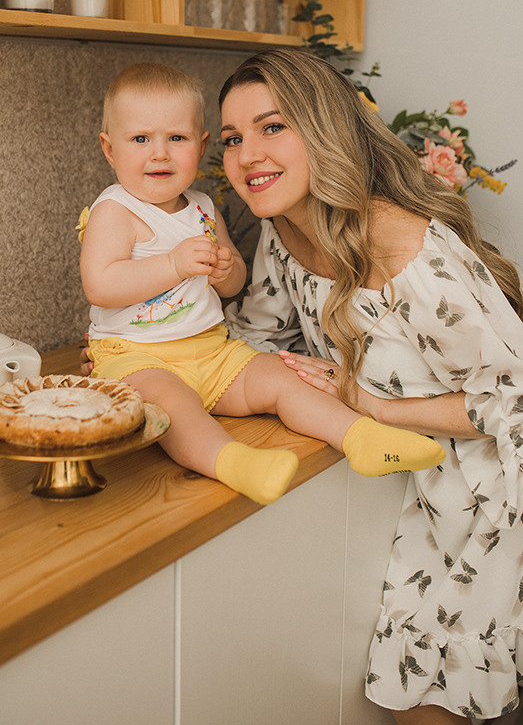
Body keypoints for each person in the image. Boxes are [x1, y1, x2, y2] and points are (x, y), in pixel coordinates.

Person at [217, 47, 523, 724]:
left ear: (320, 129)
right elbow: (256, 336)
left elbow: (517, 401)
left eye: (272, 127)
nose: (246, 155)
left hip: (495, 496)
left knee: (428, 707)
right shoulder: (280, 231)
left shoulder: (404, 243)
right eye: (233, 138)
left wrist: (372, 403)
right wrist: (146, 353)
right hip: (424, 490)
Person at [78, 62, 445, 508]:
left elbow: (233, 285)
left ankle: (362, 438)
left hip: (211, 348)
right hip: (138, 358)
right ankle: (235, 462)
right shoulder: (114, 211)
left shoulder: (201, 207)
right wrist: (175, 264)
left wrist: (226, 269)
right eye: (140, 139)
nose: (159, 154)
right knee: (175, 410)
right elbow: (100, 284)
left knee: (280, 378)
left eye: (176, 138)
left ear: (202, 145)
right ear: (109, 149)